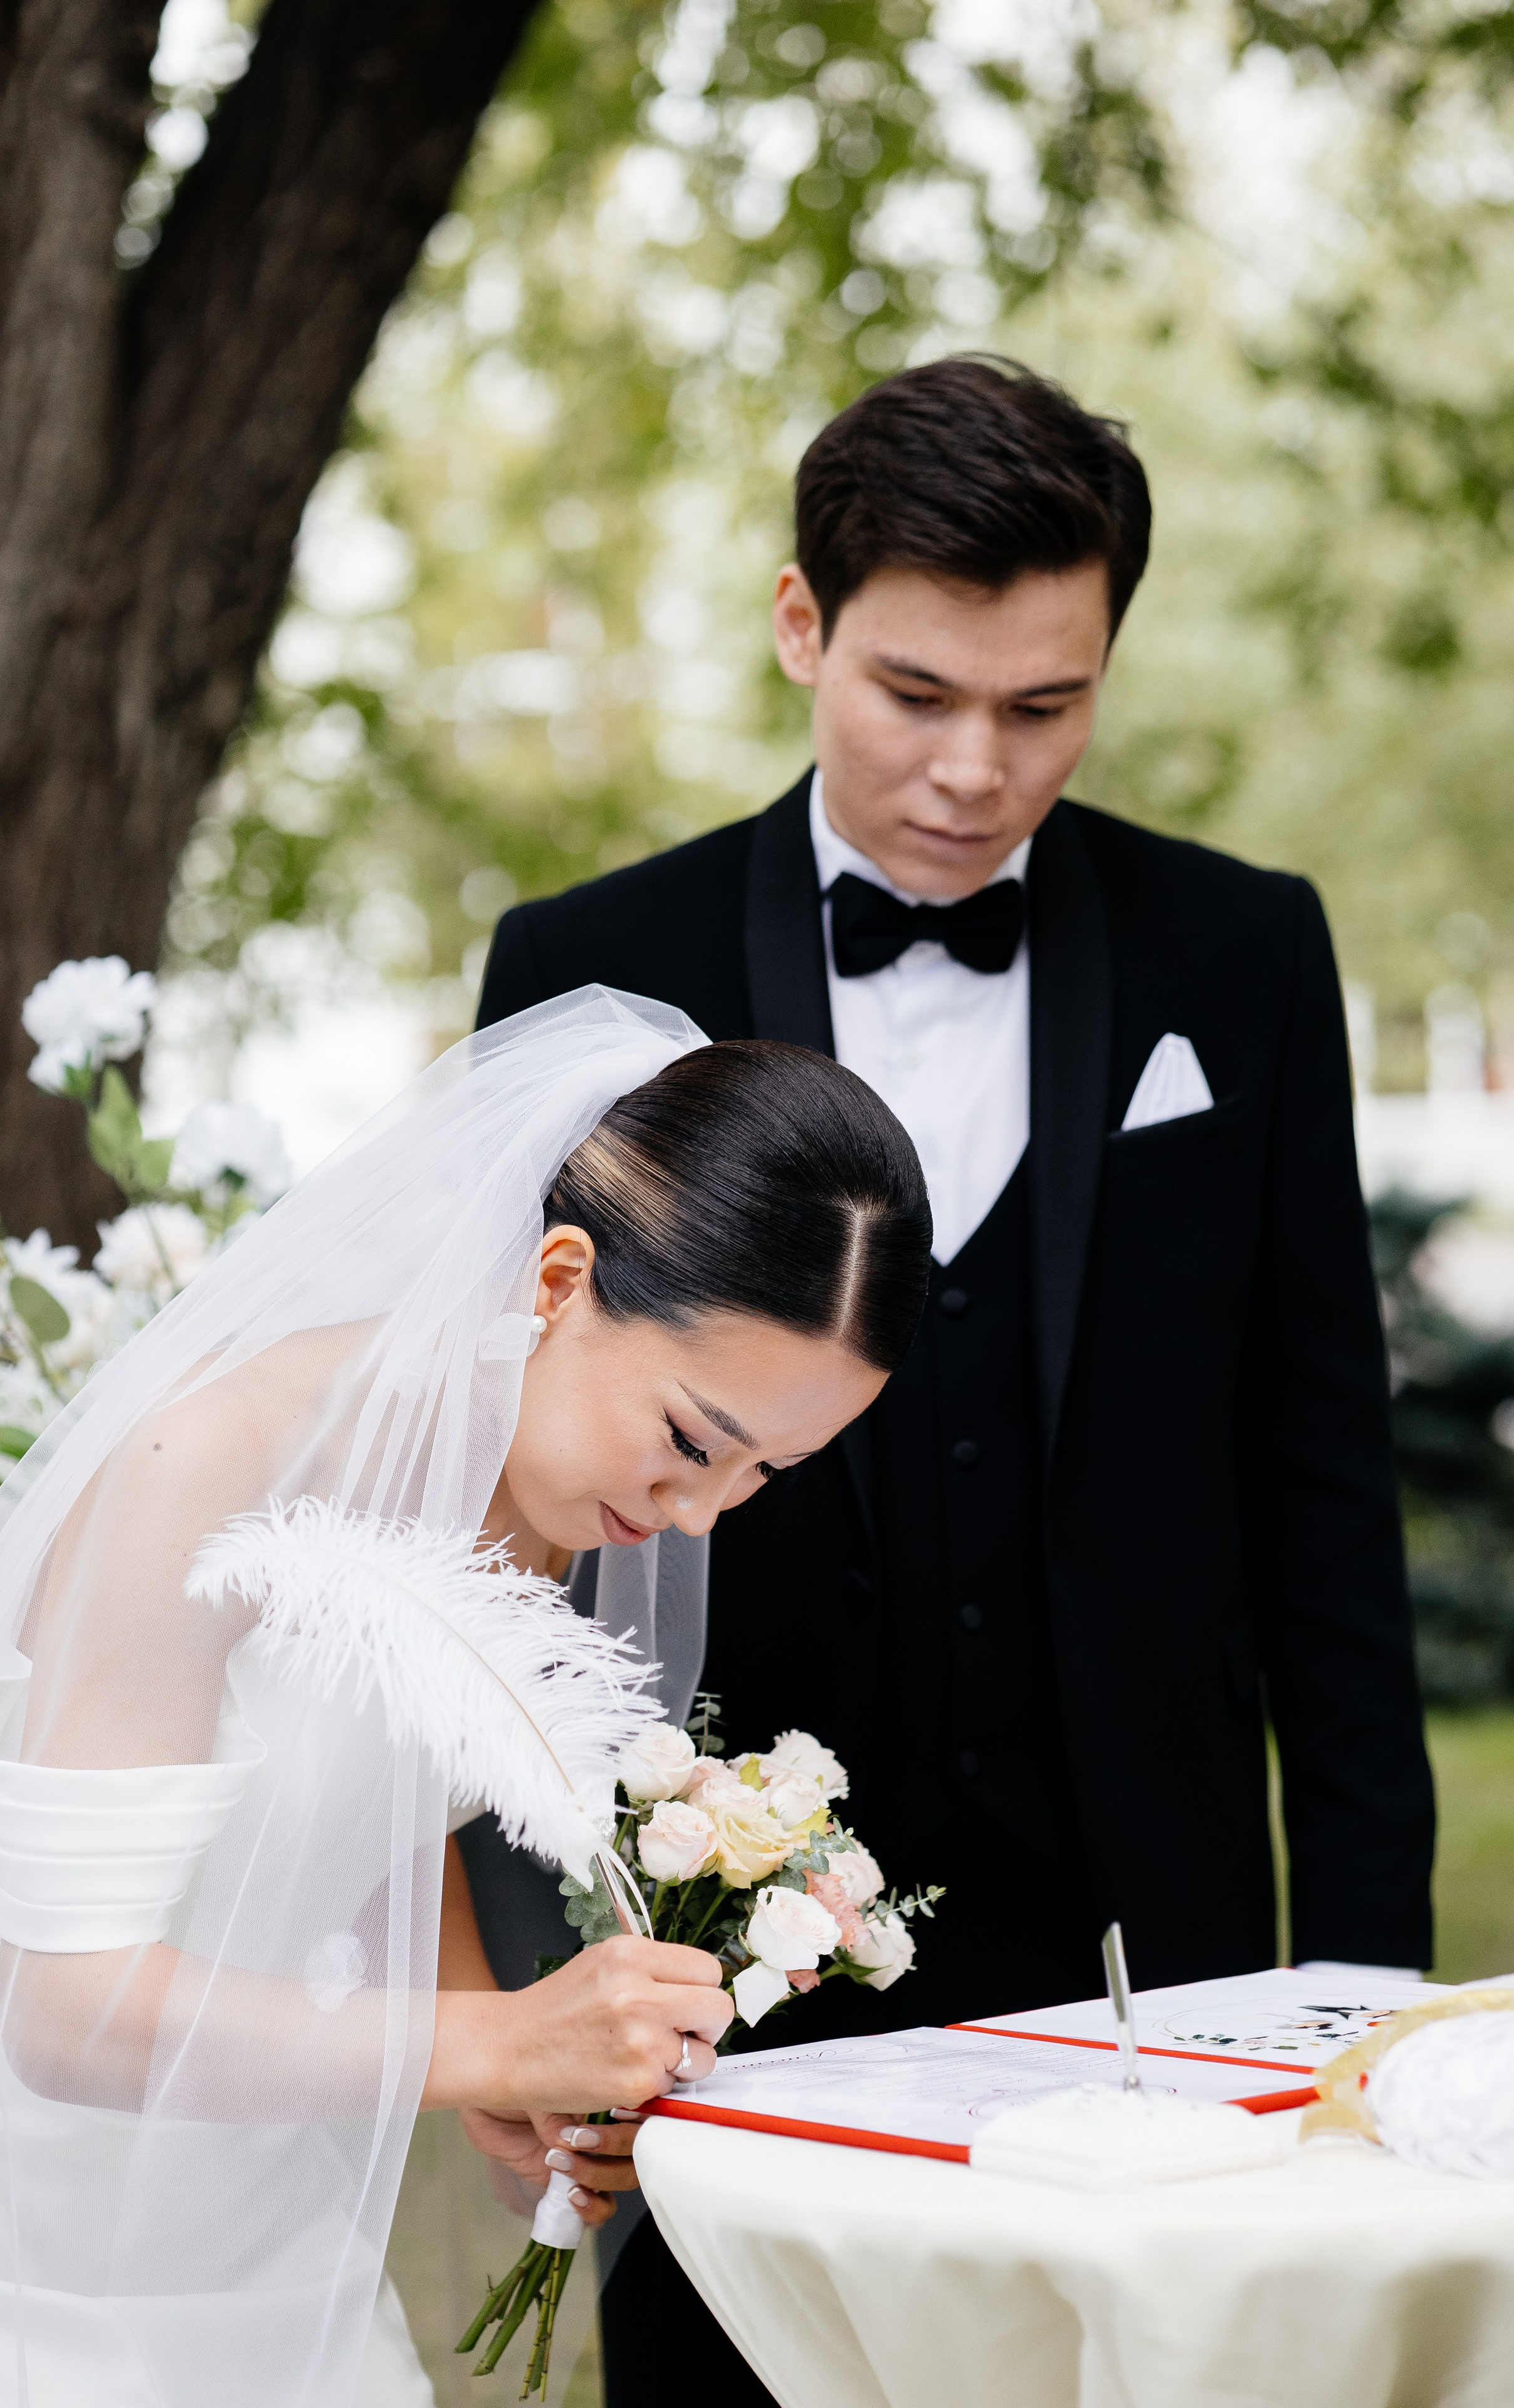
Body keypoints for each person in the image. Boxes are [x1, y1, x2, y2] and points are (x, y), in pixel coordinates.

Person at [475, 356, 1437, 2407]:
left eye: (1044, 706)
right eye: (918, 695)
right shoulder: (590, 969)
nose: (978, 770)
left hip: (1162, 1913)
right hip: (726, 1921)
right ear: (802, 625)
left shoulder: (1241, 956)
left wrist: (1371, 1973)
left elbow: (1322, 1481)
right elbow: (502, 1521)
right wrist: (539, 1968)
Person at [0, 987, 931, 2405]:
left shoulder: (531, 1491)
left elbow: (386, 1798)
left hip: (268, 2211)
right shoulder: (199, 1468)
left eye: (760, 1476)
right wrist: (495, 2037)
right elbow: (63, 2012)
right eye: (693, 1439)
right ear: (560, 1280)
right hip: (31, 2243)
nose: (698, 1516)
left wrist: (487, 2045)